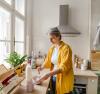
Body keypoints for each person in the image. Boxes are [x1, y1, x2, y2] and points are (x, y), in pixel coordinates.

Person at [37, 27, 74, 94]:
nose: (50, 40)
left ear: (58, 36)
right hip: (53, 77)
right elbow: (48, 60)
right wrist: (41, 67)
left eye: (52, 38)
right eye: (50, 38)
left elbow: (63, 67)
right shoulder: (52, 48)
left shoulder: (66, 48)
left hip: (63, 79)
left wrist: (48, 74)